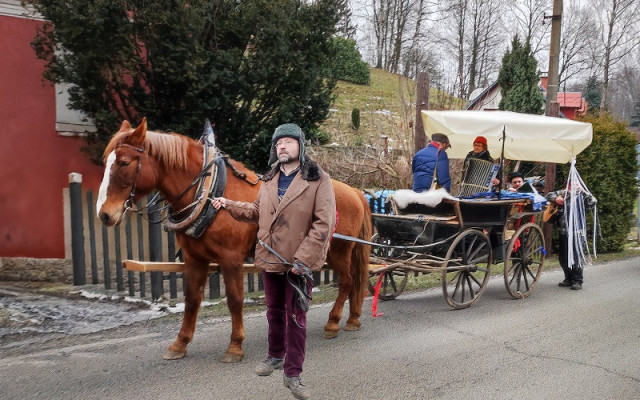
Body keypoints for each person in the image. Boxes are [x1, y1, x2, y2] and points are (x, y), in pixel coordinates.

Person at [212, 123, 336, 400]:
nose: (283, 146)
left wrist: (302, 260)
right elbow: (257, 211)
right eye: (279, 143)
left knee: (296, 317)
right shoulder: (268, 179)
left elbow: (323, 224)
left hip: (297, 263)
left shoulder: (318, 179)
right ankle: (276, 355)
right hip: (270, 257)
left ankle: (293, 373)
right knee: (274, 312)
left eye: (289, 142)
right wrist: (228, 203)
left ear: (300, 147)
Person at [545, 185, 597, 291]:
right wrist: (556, 199)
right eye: (571, 182)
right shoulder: (563, 192)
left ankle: (578, 280)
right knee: (563, 257)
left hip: (577, 232)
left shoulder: (582, 195)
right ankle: (568, 278)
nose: (574, 184)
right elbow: (548, 195)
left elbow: (593, 202)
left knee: (576, 256)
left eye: (576, 182)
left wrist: (583, 192)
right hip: (563, 230)